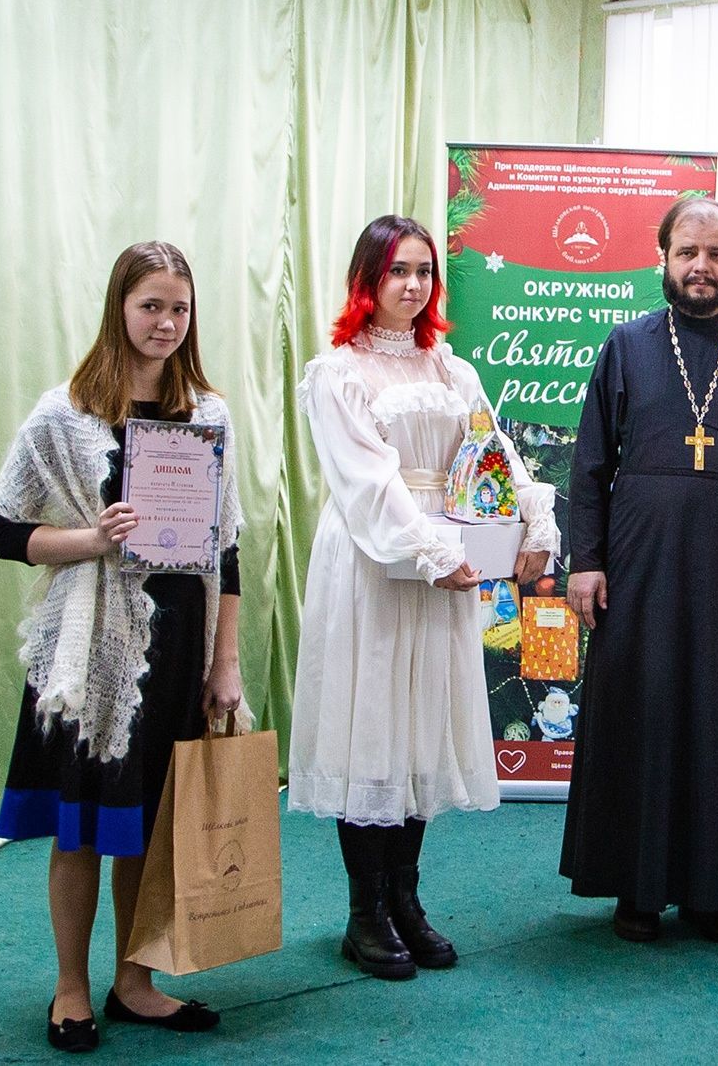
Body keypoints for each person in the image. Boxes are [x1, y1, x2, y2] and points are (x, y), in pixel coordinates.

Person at [0, 241, 243, 1052]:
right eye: (150, 306)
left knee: (150, 824)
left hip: (178, 644)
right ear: (119, 308)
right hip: (91, 650)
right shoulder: (63, 414)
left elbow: (227, 547)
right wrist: (90, 540)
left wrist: (225, 661)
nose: (166, 322)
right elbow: (6, 533)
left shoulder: (209, 414)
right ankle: (70, 985)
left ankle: (135, 981)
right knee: (82, 828)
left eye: (179, 308)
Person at [290, 215, 557, 979]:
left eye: (423, 271)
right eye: (397, 270)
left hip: (449, 559)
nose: (412, 284)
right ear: (367, 279)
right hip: (376, 561)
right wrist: (430, 550)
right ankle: (365, 912)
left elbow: (494, 455)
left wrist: (534, 520)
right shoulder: (337, 372)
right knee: (372, 724)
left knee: (421, 727)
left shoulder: (453, 370)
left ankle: (405, 899)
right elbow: (365, 481)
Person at [559, 197, 718, 944]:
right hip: (641, 563)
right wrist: (587, 561)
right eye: (688, 252)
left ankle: (714, 892)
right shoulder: (627, 345)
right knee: (644, 711)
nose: (701, 267)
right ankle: (636, 889)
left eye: (716, 254)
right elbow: (590, 464)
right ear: (664, 257)